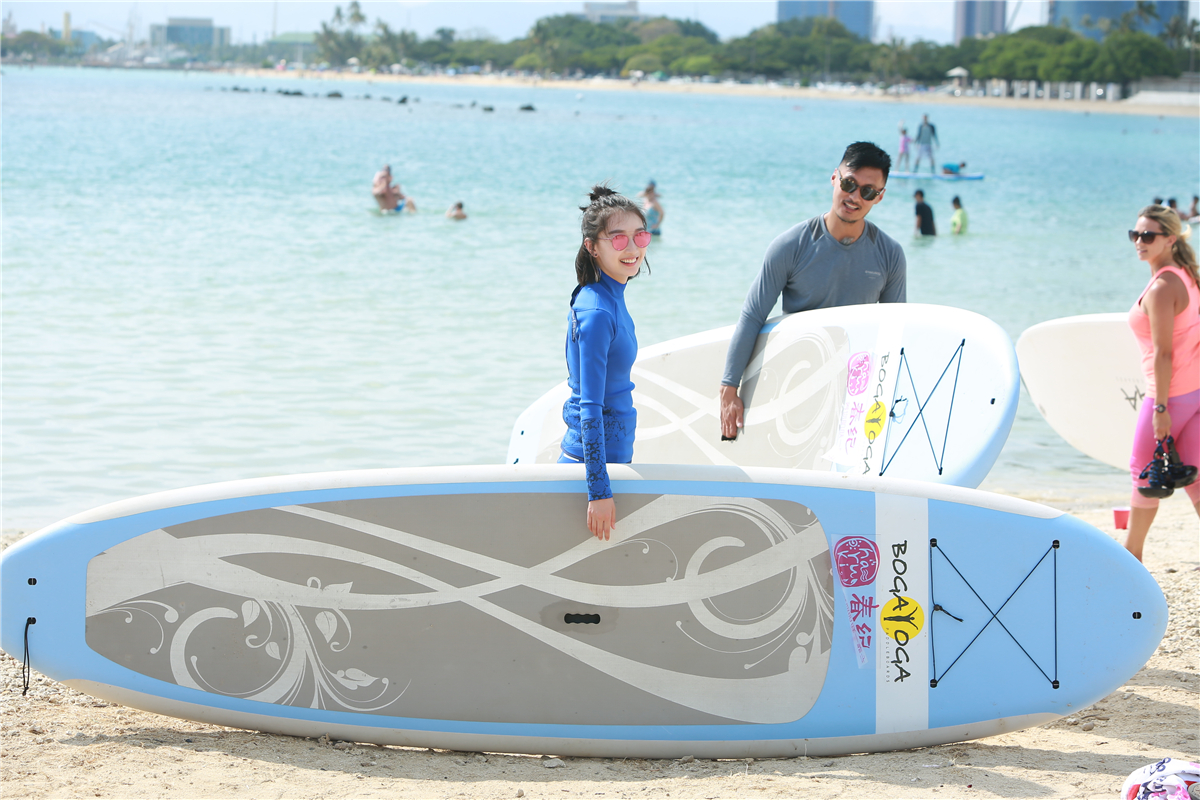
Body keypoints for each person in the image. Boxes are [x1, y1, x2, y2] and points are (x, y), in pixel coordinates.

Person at [719, 141, 906, 440]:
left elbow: (893, 333)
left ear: (879, 197)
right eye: (849, 183)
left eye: (868, 191)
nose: (855, 197)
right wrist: (729, 388)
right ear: (835, 178)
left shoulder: (890, 255)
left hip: (856, 390)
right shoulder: (791, 246)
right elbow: (753, 316)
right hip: (796, 382)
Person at [561, 185, 651, 540]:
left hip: (610, 462)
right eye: (618, 239)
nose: (631, 249)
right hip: (592, 472)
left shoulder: (609, 294)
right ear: (592, 247)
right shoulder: (596, 309)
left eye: (639, 236)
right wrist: (599, 491)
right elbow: (590, 407)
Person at [1124, 204, 1200, 562]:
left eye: (1148, 235)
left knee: (1143, 472)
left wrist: (1161, 408)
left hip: (1172, 396)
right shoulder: (1185, 274)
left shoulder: (1161, 288)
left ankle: (1130, 558)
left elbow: (1164, 354)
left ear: (1170, 239)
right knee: (1196, 477)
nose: (1139, 241)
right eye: (1135, 234)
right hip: (1194, 390)